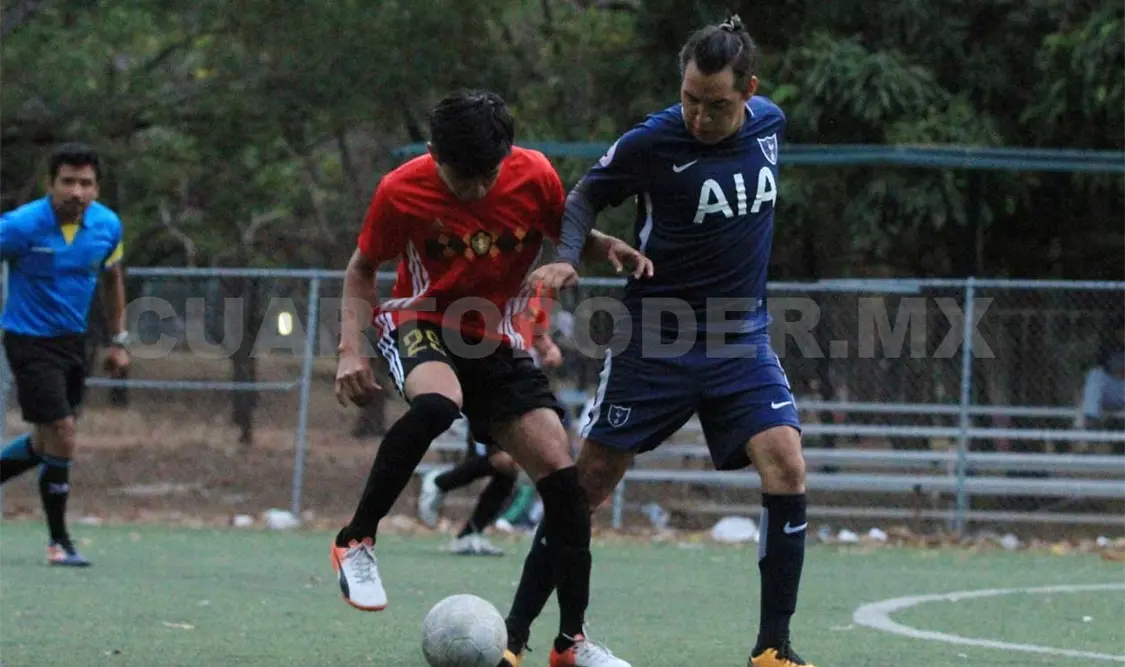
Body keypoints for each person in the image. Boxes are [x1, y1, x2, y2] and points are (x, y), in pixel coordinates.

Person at [501, 16, 816, 667]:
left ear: (748, 91)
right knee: (586, 483)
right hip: (654, 340)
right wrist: (567, 257)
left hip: (739, 337)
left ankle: (771, 648)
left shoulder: (770, 125)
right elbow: (585, 194)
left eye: (718, 103)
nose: (700, 114)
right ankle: (515, 635)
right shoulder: (653, 140)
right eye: (689, 98)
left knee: (785, 462)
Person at [330, 90, 647, 667]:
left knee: (564, 483)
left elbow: (563, 229)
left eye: (488, 175)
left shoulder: (535, 174)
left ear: (508, 153)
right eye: (462, 179)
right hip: (421, 318)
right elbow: (361, 269)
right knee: (436, 406)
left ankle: (569, 643)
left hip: (498, 339)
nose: (477, 190)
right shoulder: (401, 189)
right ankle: (357, 540)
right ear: (433, 154)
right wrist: (351, 349)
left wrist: (606, 247)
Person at [0, 142, 130, 567]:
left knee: (45, 443)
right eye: (68, 182)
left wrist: (118, 340)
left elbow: (112, 280)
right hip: (28, 341)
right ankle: (59, 543)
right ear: (51, 184)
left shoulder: (107, 226)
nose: (77, 191)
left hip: (75, 343)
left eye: (86, 183)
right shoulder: (20, 225)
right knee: (63, 434)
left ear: (97, 188)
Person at [417, 331, 565, 556]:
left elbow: (536, 334)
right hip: (488, 388)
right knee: (502, 462)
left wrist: (550, 350)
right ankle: (439, 482)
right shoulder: (502, 302)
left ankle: (470, 534)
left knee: (508, 471)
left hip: (516, 391)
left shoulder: (536, 303)